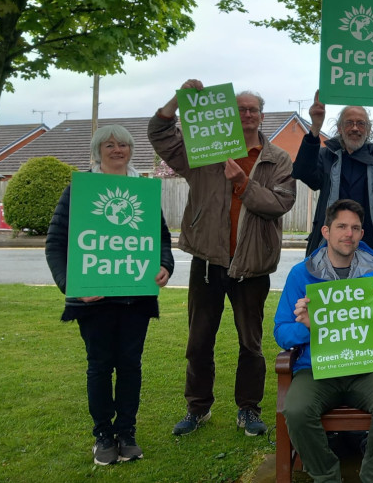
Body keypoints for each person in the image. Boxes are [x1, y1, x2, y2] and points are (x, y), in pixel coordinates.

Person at [148, 80, 297, 436]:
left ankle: (248, 410)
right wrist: (179, 98)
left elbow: (279, 204)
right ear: (230, 115)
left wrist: (244, 183)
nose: (247, 114)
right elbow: (159, 133)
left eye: (253, 109)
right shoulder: (205, 151)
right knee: (199, 341)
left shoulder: (278, 159)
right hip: (207, 262)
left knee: (251, 344)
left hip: (252, 265)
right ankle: (197, 408)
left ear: (261, 116)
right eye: (240, 109)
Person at [45, 125, 174, 465]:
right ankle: (103, 435)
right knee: (100, 367)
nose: (118, 150)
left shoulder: (143, 192)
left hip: (136, 298)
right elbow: (56, 245)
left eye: (124, 145)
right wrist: (71, 286)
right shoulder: (79, 190)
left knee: (130, 366)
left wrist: (164, 266)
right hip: (93, 300)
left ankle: (127, 432)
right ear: (97, 151)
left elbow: (161, 238)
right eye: (110, 145)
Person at [275, 199, 373, 483]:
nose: (349, 233)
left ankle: (372, 475)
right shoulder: (302, 273)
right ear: (326, 231)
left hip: (367, 367)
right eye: (342, 226)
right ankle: (326, 476)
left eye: (356, 228)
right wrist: (308, 328)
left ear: (361, 234)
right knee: (295, 410)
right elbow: (280, 331)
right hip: (317, 368)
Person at [295, 91, 373, 273]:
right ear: (339, 128)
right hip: (332, 251)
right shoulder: (326, 156)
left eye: (361, 124)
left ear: (368, 129)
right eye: (349, 123)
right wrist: (315, 127)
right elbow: (303, 172)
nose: (355, 128)